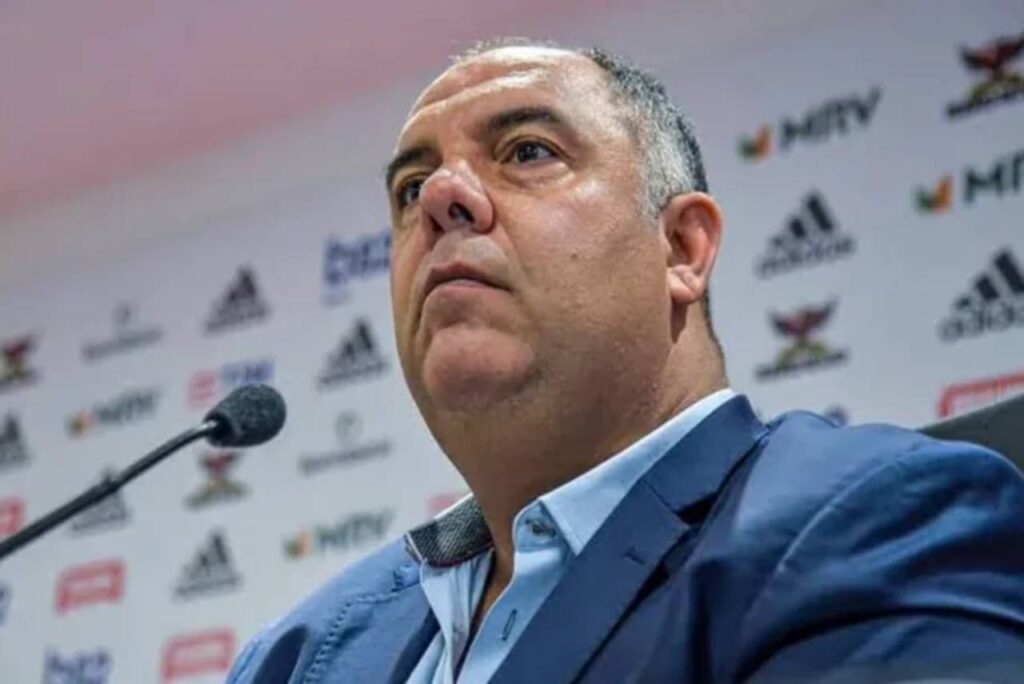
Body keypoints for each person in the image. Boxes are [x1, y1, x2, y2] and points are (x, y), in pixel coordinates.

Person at [227, 40, 1024, 683]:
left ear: (681, 248)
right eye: (410, 189)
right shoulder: (294, 656)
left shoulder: (880, 523)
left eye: (527, 151)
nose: (441, 196)